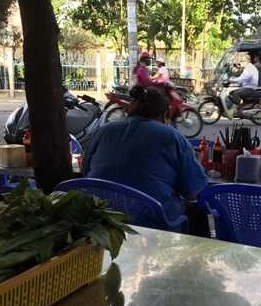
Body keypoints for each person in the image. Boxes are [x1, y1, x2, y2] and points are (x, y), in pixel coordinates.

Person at [83, 85, 209, 235]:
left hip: (102, 220)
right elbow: (192, 193)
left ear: (130, 109)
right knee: (198, 212)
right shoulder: (171, 137)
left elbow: (86, 170)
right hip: (152, 225)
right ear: (165, 114)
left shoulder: (103, 131)